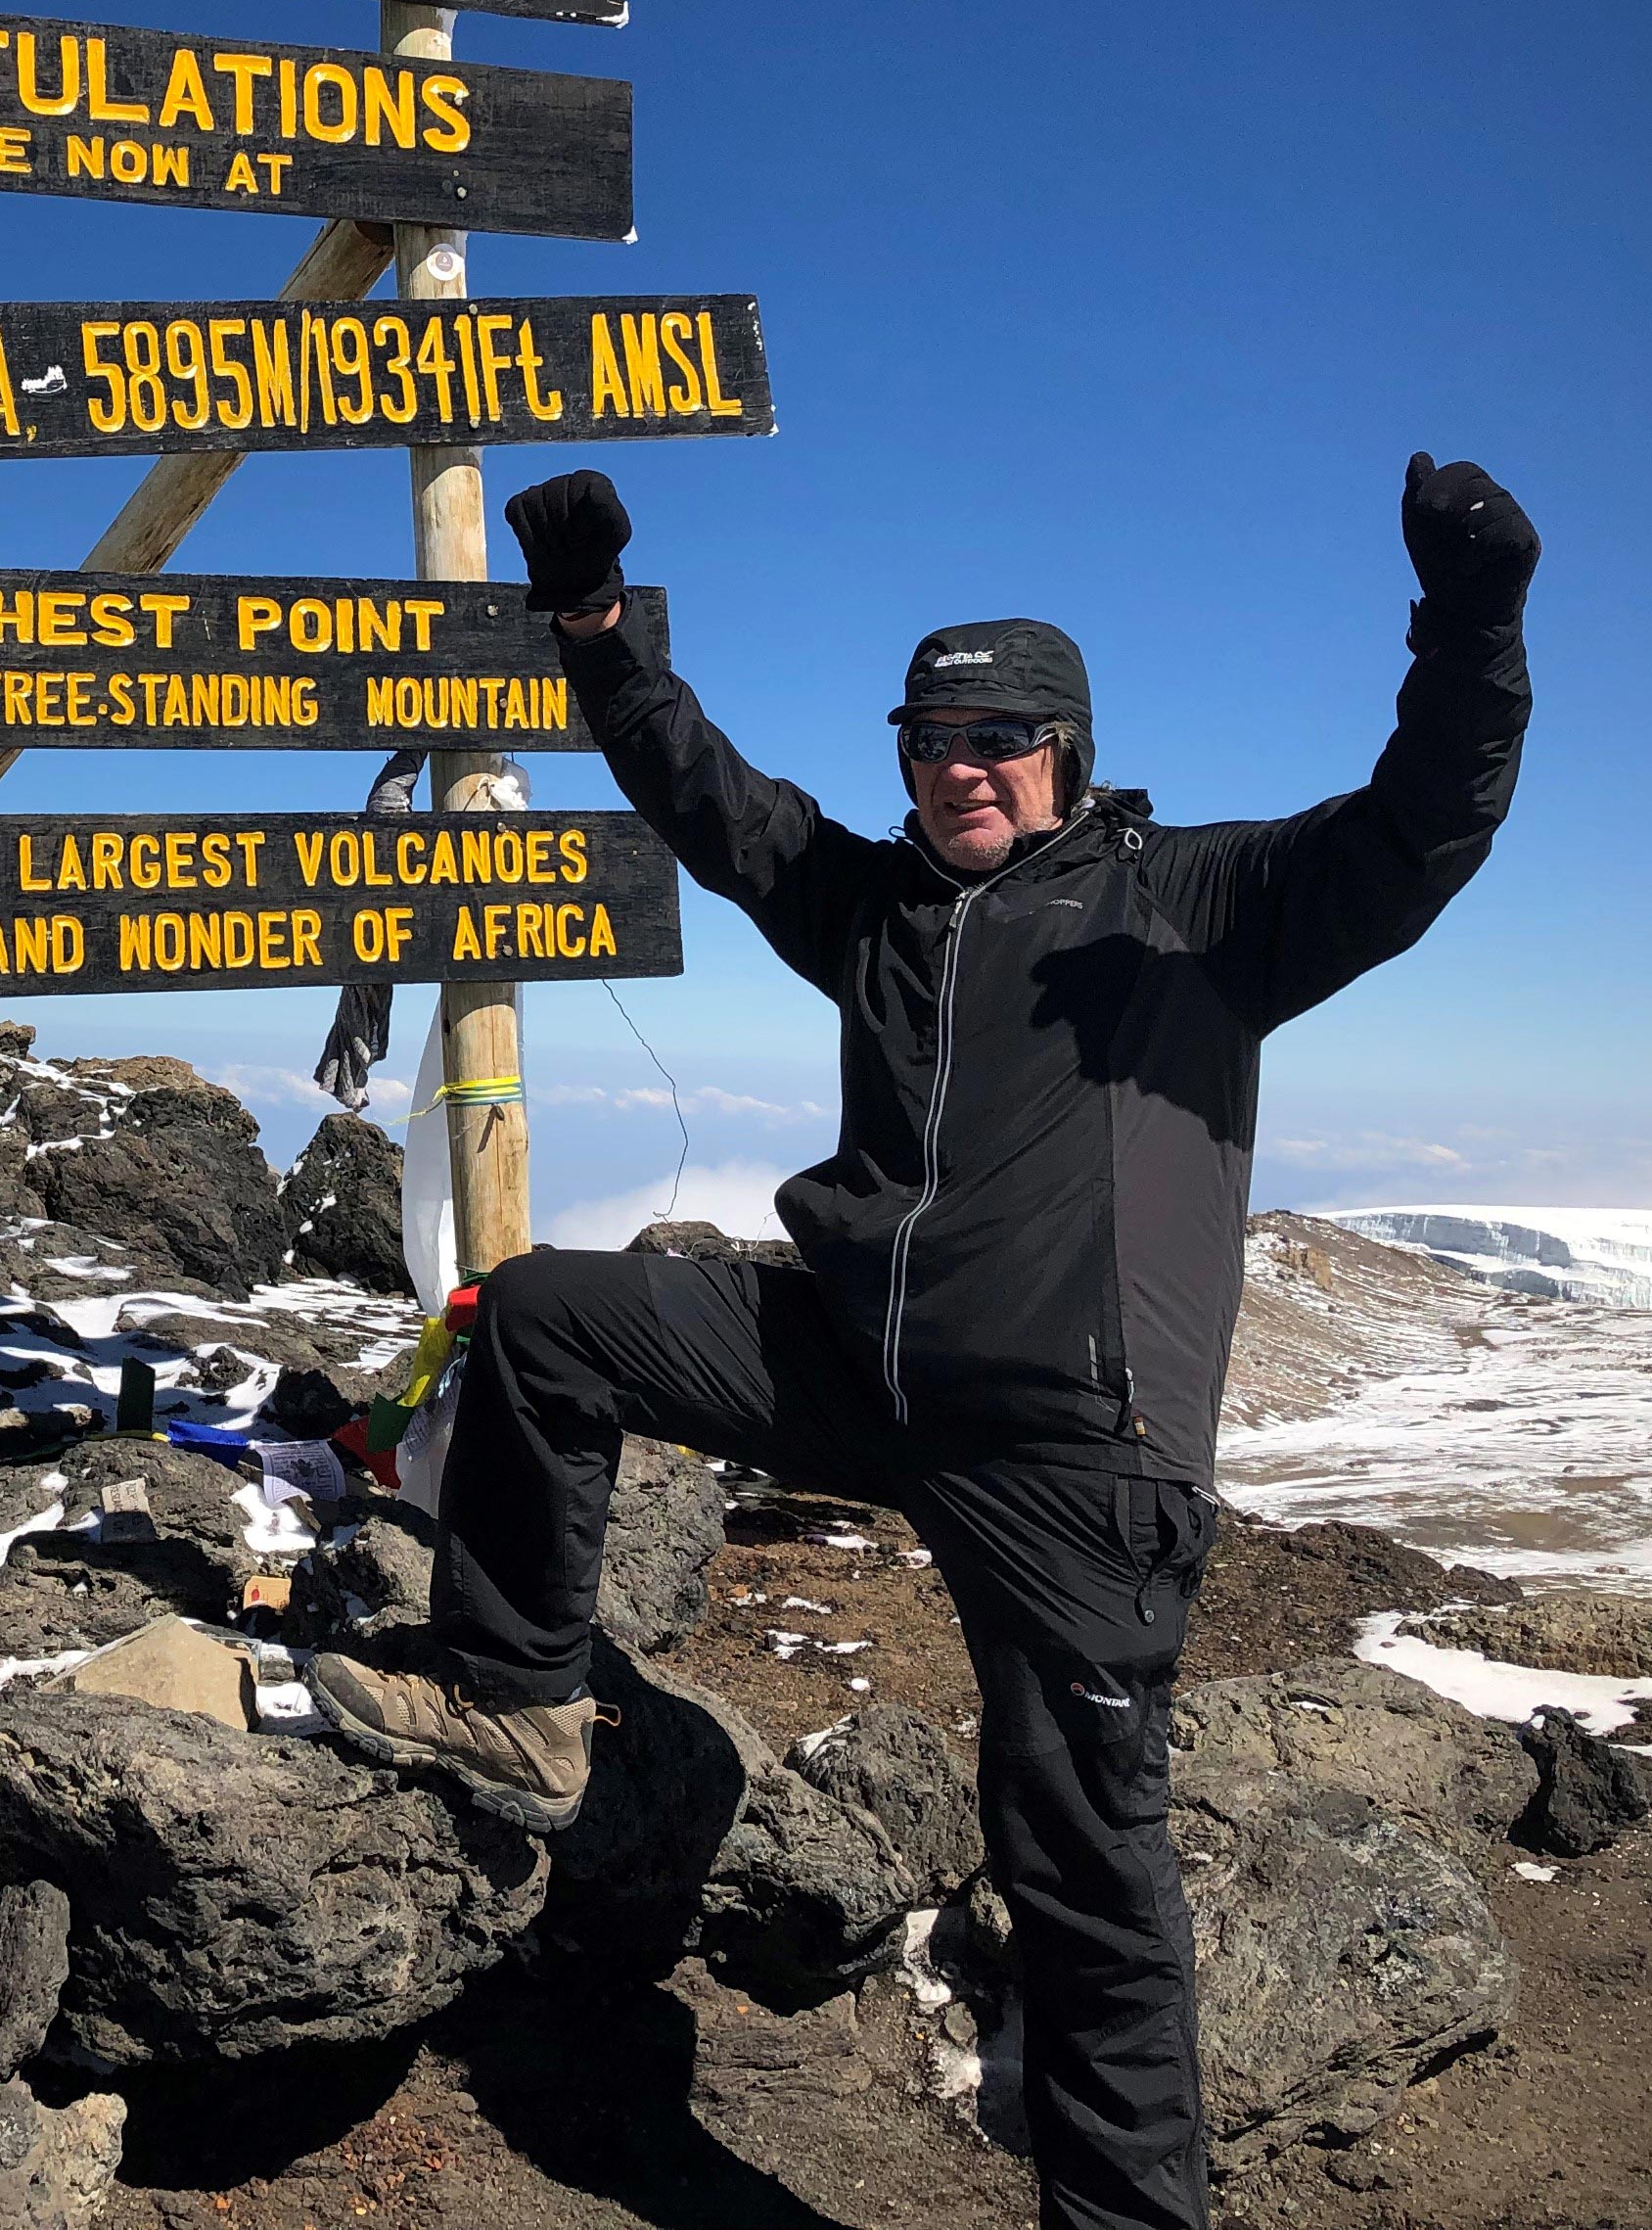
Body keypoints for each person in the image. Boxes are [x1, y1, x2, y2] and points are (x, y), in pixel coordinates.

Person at [310, 452, 1537, 2230]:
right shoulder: (882, 911)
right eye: (928, 739)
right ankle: (517, 1707)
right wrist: (590, 627)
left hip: (1067, 1458)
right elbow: (713, 802)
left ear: (1071, 752)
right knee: (553, 1317)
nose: (958, 767)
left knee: (1082, 1868)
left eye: (999, 738)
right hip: (848, 1362)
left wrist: (1474, 622)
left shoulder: (1202, 905)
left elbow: (1426, 820)